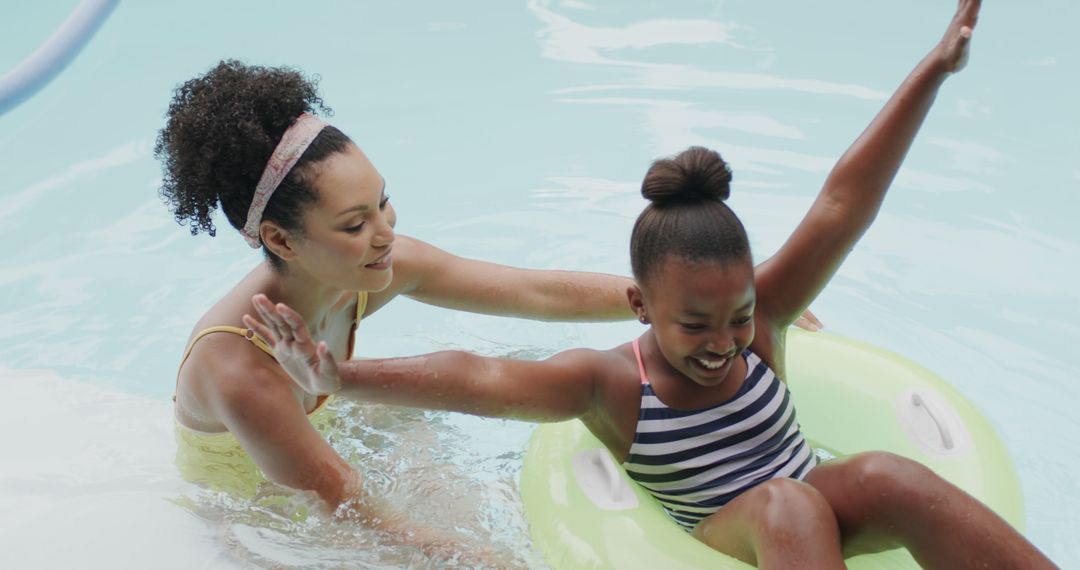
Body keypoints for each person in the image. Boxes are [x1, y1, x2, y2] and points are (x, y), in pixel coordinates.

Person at [245, 1, 1056, 567]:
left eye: (736, 318)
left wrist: (933, 72)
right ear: (641, 307)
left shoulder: (761, 318)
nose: (724, 344)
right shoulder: (610, 385)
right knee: (787, 507)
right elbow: (484, 378)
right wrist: (341, 377)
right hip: (724, 535)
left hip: (813, 497)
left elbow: (845, 201)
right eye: (694, 324)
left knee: (886, 474)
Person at [155, 29, 826, 559]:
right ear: (281, 238)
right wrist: (481, 560)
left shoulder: (369, 268)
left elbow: (533, 292)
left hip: (332, 430)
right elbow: (340, 499)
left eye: (384, 203)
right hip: (258, 510)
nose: (387, 233)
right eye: (356, 224)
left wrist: (698, 306)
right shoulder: (240, 370)